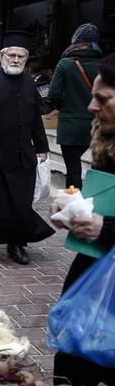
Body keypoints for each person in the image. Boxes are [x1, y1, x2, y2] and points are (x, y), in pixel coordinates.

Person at [51, 51, 115, 386]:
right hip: (94, 277)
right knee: (75, 363)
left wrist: (106, 228)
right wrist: (74, 209)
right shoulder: (108, 141)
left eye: (102, 99)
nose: (91, 107)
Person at [0, 31, 55, 264]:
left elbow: (36, 116)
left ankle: (16, 245)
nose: (16, 60)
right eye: (12, 55)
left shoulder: (29, 82)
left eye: (21, 56)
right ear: (2, 55)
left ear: (26, 59)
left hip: (20, 156)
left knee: (19, 202)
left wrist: (42, 147)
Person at [48, 23, 101, 189]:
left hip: (69, 125)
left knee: (73, 170)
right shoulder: (103, 65)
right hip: (95, 125)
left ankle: (73, 206)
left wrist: (65, 106)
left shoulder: (65, 64)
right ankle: (95, 202)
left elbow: (53, 95)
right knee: (98, 166)